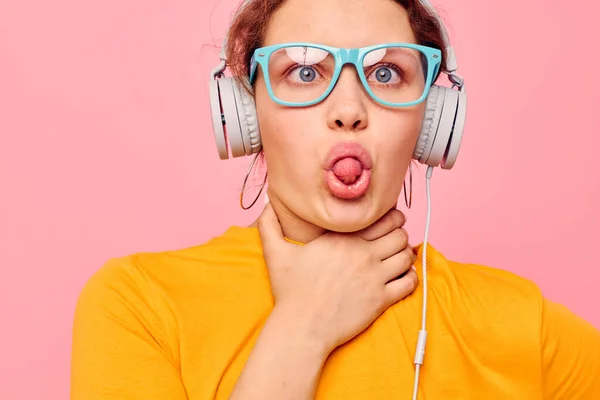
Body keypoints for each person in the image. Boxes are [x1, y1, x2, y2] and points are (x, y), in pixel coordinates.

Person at [71, 0, 600, 399]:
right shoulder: (139, 306)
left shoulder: (524, 328)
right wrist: (303, 327)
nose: (349, 109)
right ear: (246, 110)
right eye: (304, 72)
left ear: (431, 122)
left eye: (386, 73)